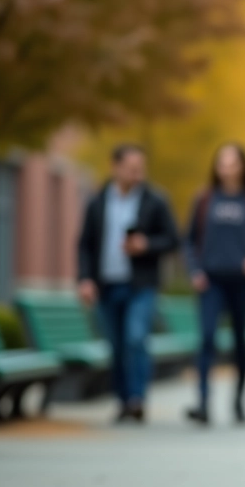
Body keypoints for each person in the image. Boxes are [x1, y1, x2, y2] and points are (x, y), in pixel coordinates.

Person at [76, 144, 179, 423]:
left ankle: (137, 398)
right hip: (107, 284)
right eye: (132, 169)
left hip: (141, 284)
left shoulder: (155, 200)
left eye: (141, 170)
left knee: (136, 338)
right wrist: (85, 279)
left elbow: (173, 239)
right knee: (117, 346)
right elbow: (85, 245)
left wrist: (146, 244)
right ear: (116, 167)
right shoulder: (97, 202)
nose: (137, 175)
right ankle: (123, 401)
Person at [184, 143, 245, 426]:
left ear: (243, 166)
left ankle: (239, 402)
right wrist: (194, 270)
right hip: (210, 280)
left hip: (242, 281)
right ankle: (203, 403)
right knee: (207, 338)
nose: (227, 169)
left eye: (233, 163)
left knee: (240, 343)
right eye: (222, 163)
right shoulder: (205, 199)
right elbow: (189, 240)